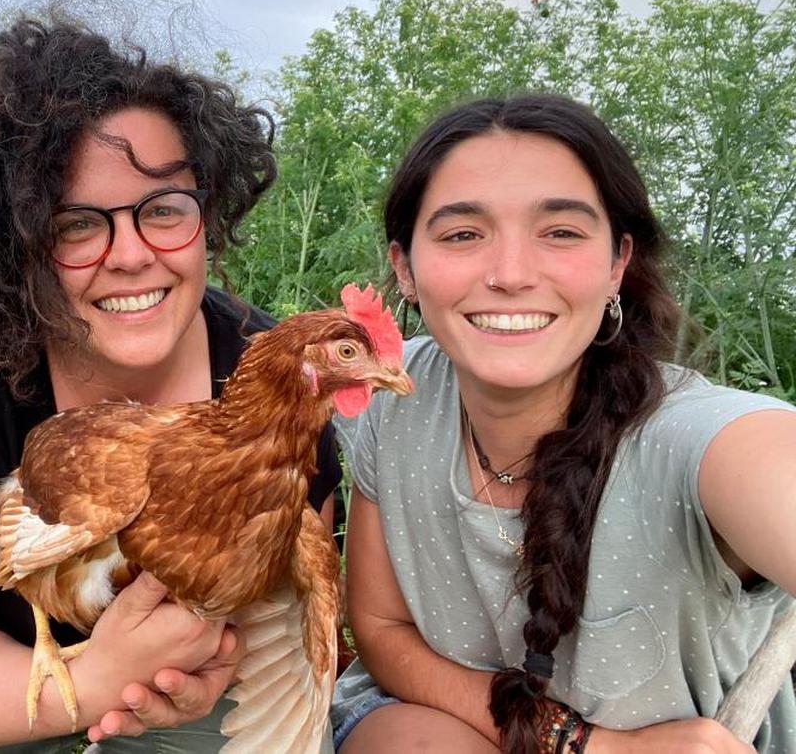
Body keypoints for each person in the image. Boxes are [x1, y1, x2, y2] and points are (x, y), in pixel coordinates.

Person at [0, 15, 342, 753]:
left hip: (175, 679)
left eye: (163, 210)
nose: (131, 255)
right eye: (74, 225)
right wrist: (95, 680)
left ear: (207, 213)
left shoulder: (281, 376)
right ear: (14, 245)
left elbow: (279, 621)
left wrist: (212, 671)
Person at [331, 95, 796, 753]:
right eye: (464, 233)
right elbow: (379, 627)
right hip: (451, 721)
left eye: (561, 232)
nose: (511, 275)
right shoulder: (390, 394)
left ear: (617, 264)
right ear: (405, 267)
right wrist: (587, 744)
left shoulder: (690, 440)